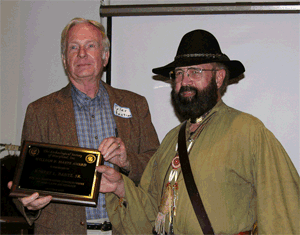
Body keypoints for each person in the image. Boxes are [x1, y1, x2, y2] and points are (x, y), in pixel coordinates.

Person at [97, 29, 299, 234]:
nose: (185, 81)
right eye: (179, 73)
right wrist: (120, 186)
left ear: (219, 78)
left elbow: (281, 210)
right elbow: (151, 211)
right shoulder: (170, 140)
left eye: (195, 72)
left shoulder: (248, 132)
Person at [8, 17, 159, 234]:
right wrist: (28, 205)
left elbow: (157, 168)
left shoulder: (135, 104)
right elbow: (26, 183)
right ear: (64, 59)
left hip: (126, 229)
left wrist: (127, 162)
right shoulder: (39, 111)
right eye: (73, 47)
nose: (81, 54)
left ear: (105, 56)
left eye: (90, 46)